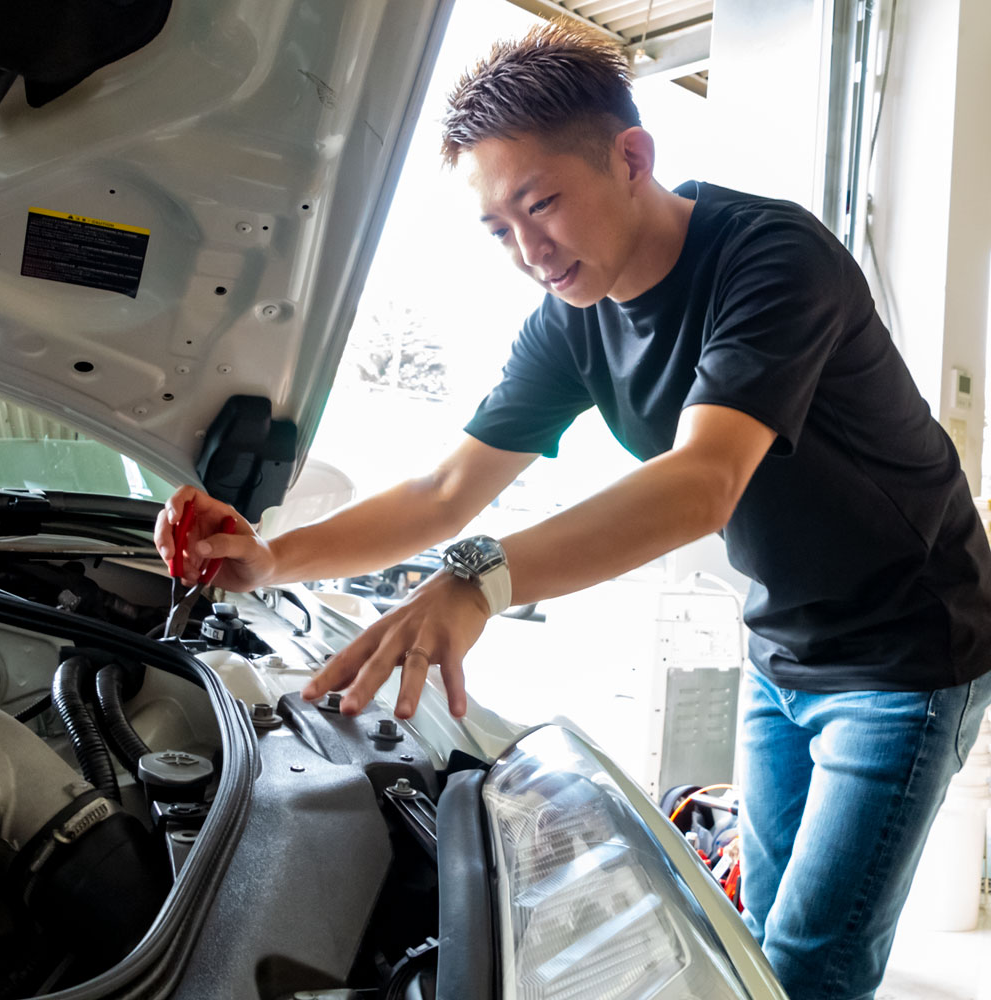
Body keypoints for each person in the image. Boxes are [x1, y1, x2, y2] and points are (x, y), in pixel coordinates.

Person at [154, 20, 991, 1000]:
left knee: (812, 962)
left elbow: (700, 481)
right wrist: (269, 558)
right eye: (498, 228)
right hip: (781, 651)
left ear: (632, 157)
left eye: (540, 203)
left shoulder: (770, 259)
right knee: (753, 941)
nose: (526, 249)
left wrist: (480, 580)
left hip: (904, 655)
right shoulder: (571, 318)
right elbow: (444, 491)